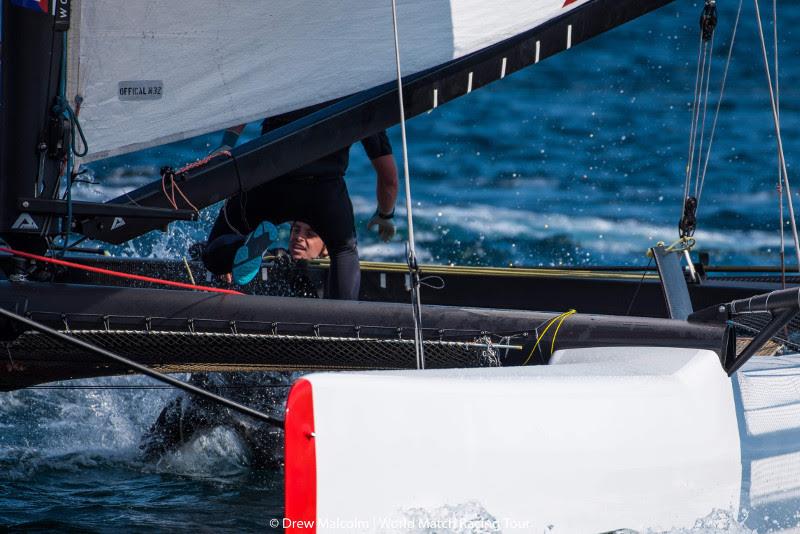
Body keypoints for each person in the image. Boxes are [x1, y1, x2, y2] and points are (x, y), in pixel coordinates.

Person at [201, 108, 398, 300]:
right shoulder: (356, 94)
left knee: (214, 253)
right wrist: (385, 215)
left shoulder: (288, 83)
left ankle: (239, 249)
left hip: (268, 182)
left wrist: (227, 143)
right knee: (342, 250)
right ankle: (341, 322)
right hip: (324, 192)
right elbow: (389, 179)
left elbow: (248, 95)